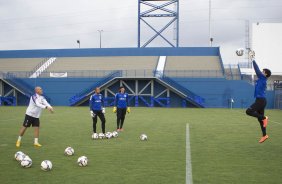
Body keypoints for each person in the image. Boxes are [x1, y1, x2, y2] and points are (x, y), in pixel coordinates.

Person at [246, 57, 271, 143]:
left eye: (263, 71)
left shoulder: (263, 78)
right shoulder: (261, 79)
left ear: (265, 74)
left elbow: (256, 69)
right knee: (260, 120)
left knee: (248, 111)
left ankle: (265, 118)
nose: (261, 71)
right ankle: (264, 135)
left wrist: (253, 59)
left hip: (261, 101)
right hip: (260, 100)